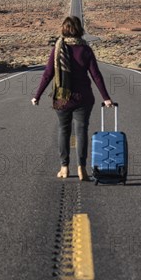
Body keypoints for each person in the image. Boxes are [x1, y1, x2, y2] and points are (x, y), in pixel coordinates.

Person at [31, 16, 113, 181]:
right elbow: (96, 75)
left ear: (64, 29)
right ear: (79, 30)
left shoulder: (58, 49)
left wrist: (37, 95)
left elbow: (48, 74)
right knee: (81, 132)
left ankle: (64, 167)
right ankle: (82, 168)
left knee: (64, 131)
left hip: (62, 97)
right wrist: (106, 97)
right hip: (83, 98)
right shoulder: (85, 50)